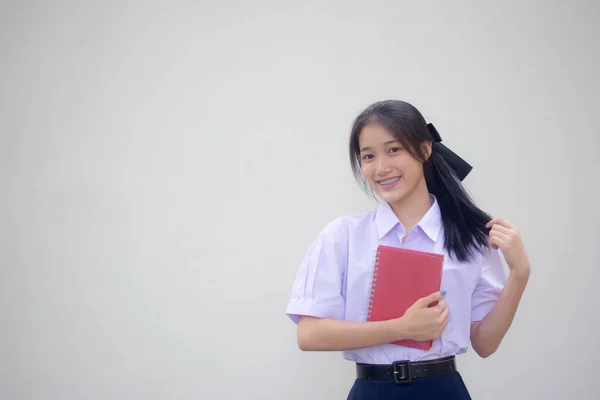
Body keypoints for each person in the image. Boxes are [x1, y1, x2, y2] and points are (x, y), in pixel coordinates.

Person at [285, 100, 530, 399]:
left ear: (425, 150)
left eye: (394, 149)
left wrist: (519, 274)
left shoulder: (471, 239)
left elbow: (485, 343)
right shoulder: (343, 236)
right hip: (371, 391)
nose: (381, 167)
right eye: (368, 156)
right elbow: (309, 335)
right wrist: (402, 327)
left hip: (443, 390)